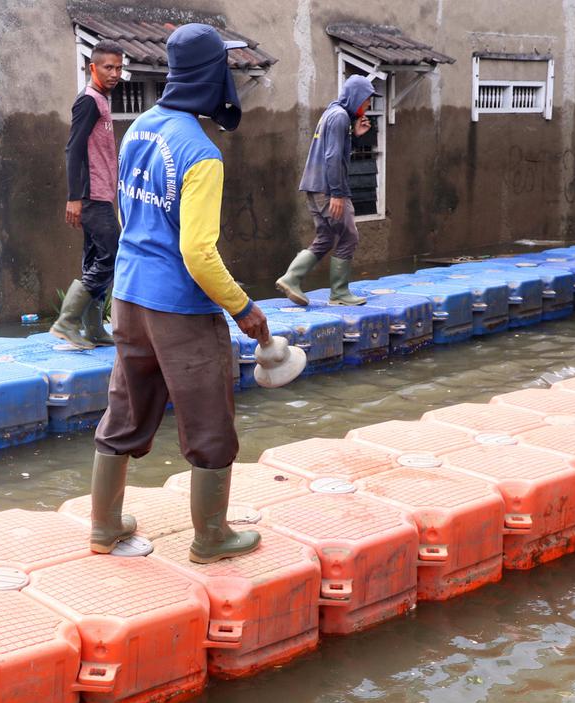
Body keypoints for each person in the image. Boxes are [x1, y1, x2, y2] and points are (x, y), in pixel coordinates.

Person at [88, 23, 270, 564]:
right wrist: (244, 309)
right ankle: (211, 537)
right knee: (210, 420)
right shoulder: (202, 153)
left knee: (126, 404)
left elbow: (127, 211)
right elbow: (198, 252)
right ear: (212, 76)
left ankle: (104, 526)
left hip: (128, 295)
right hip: (180, 308)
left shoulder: (138, 128)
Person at [274, 75, 381, 306]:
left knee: (326, 237)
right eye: (367, 99)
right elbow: (332, 157)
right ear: (356, 97)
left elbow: (334, 150)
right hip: (327, 188)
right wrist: (338, 194)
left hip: (314, 186)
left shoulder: (332, 113)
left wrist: (354, 135)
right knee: (349, 235)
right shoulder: (340, 117)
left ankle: (291, 278)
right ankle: (339, 293)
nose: (369, 105)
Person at [52, 40, 125, 350]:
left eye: (119, 68)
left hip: (101, 193)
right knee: (112, 252)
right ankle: (67, 322)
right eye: (108, 67)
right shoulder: (89, 101)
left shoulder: (101, 100)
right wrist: (75, 197)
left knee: (96, 258)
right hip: (91, 195)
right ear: (92, 67)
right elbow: (74, 148)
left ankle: (92, 328)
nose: (114, 73)